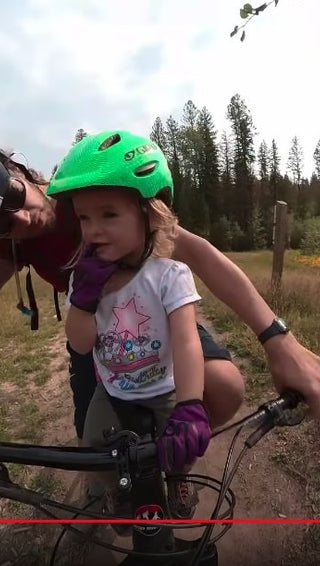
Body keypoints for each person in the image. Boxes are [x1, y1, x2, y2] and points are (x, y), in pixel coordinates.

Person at [0, 125, 320, 512]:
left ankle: (175, 464)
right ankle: (128, 473)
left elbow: (202, 256)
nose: (19, 219)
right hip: (98, 335)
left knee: (223, 385)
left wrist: (277, 339)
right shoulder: (12, 244)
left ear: (14, 168)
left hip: (154, 314)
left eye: (11, 197)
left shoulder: (86, 191)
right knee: (97, 442)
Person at [49, 130, 210, 521]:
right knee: (94, 446)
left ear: (149, 214)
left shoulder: (170, 275)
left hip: (164, 389)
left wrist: (190, 405)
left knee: (178, 447)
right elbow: (82, 345)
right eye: (84, 217)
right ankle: (116, 493)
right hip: (114, 391)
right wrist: (84, 301)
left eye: (108, 214)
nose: (93, 229)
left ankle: (178, 479)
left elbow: (187, 342)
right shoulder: (84, 280)